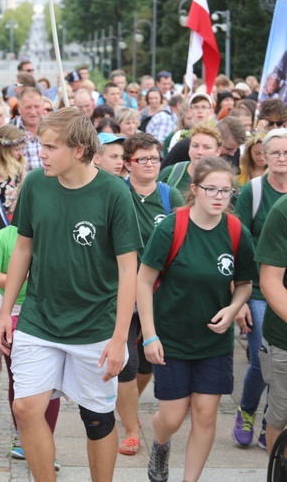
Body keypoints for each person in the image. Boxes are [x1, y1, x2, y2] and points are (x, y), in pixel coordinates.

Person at [0, 108, 142, 481]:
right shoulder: (35, 185)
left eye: (49, 147)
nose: (39, 154)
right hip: (39, 317)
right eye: (39, 145)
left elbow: (129, 270)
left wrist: (120, 337)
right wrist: (4, 311)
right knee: (26, 408)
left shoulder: (113, 193)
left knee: (96, 419)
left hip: (97, 325)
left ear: (78, 150)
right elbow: (23, 249)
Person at [138, 157, 256, 482]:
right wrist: (149, 335)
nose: (219, 197)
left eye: (226, 191)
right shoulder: (171, 227)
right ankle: (160, 443)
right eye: (211, 189)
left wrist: (233, 309)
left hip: (214, 342)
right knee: (172, 417)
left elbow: (245, 284)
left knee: (205, 415)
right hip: (171, 338)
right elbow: (143, 281)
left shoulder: (235, 231)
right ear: (194, 190)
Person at [115, 133, 184, 457]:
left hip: (160, 293)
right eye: (143, 159)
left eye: (155, 158)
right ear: (128, 163)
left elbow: (188, 234)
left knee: (147, 363)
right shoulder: (118, 194)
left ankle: (125, 404)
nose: (151, 165)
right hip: (123, 291)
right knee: (126, 363)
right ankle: (130, 427)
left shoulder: (170, 196)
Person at [0, 220, 62, 467]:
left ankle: (46, 444)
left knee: (51, 384)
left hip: (56, 316)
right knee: (21, 382)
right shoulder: (5, 237)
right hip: (15, 317)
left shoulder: (59, 231)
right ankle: (22, 436)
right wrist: (20, 276)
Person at [232, 128, 287, 449]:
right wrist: (237, 298)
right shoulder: (253, 192)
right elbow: (237, 243)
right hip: (255, 286)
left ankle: (272, 419)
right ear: (263, 156)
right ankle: (247, 411)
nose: (282, 159)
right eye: (276, 153)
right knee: (259, 354)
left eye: (286, 153)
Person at [0, 124, 27, 219]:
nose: (21, 153)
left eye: (22, 149)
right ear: (3, 150)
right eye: (17, 149)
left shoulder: (19, 168)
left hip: (13, 222)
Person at [9, 87, 44, 171]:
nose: (33, 112)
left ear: (42, 106)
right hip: (21, 182)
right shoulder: (10, 129)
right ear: (19, 108)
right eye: (28, 107)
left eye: (36, 106)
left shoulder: (53, 127)